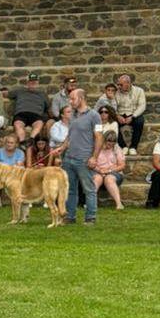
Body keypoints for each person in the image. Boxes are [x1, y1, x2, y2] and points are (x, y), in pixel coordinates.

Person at [61, 88, 102, 225]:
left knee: (89, 189)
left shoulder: (94, 115)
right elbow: (69, 135)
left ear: (81, 98)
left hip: (84, 159)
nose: (70, 101)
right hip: (68, 158)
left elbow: (99, 137)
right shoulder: (72, 115)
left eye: (73, 98)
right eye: (70, 98)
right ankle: (70, 217)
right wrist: (62, 147)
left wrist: (94, 157)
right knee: (70, 189)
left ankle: (90, 217)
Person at [8, 73, 49, 143]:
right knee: (18, 124)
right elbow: (8, 94)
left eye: (35, 82)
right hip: (21, 113)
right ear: (27, 83)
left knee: (39, 123)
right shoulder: (20, 91)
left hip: (36, 114)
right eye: (31, 81)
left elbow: (47, 106)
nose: (33, 83)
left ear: (38, 83)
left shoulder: (42, 94)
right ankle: (22, 142)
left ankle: (31, 140)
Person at [114, 73, 146, 154]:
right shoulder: (116, 91)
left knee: (140, 121)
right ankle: (123, 146)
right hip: (120, 114)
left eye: (121, 84)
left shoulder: (139, 91)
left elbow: (142, 106)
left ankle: (133, 147)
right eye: (118, 84)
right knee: (112, 123)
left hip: (133, 114)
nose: (119, 86)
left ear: (128, 83)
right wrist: (117, 116)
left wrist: (133, 116)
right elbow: (111, 105)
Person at [91, 134, 126, 210]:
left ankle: (119, 204)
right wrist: (99, 170)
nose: (111, 144)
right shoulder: (96, 148)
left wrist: (109, 171)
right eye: (109, 141)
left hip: (114, 172)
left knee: (109, 178)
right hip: (97, 171)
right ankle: (92, 203)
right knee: (97, 178)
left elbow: (122, 165)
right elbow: (91, 163)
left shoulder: (117, 149)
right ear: (104, 140)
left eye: (113, 142)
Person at [0, 133, 24, 206]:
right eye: (8, 142)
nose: (9, 144)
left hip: (14, 174)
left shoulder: (20, 153)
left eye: (11, 143)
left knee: (21, 171)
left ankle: (19, 198)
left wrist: (6, 168)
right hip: (2, 174)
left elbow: (18, 165)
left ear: (16, 144)